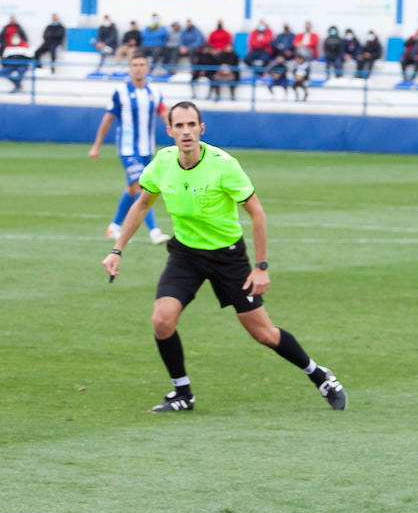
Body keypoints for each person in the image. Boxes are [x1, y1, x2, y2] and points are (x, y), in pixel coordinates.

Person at [101, 101, 348, 414]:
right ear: (170, 131)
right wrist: (117, 249)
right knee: (162, 320)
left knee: (264, 334)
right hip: (186, 254)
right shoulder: (162, 162)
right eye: (179, 126)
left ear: (201, 129)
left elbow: (257, 213)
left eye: (192, 125)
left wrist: (260, 268)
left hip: (228, 258)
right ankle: (182, 393)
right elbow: (141, 204)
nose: (186, 131)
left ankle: (319, 375)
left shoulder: (223, 164)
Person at [88, 53, 170, 243]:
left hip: (147, 149)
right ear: (130, 68)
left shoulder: (155, 91)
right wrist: (97, 145)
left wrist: (174, 132)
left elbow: (164, 113)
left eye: (142, 64)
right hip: (128, 148)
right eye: (135, 65)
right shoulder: (121, 91)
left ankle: (114, 226)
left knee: (133, 189)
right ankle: (154, 231)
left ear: (147, 68)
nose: (138, 68)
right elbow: (108, 119)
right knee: (142, 188)